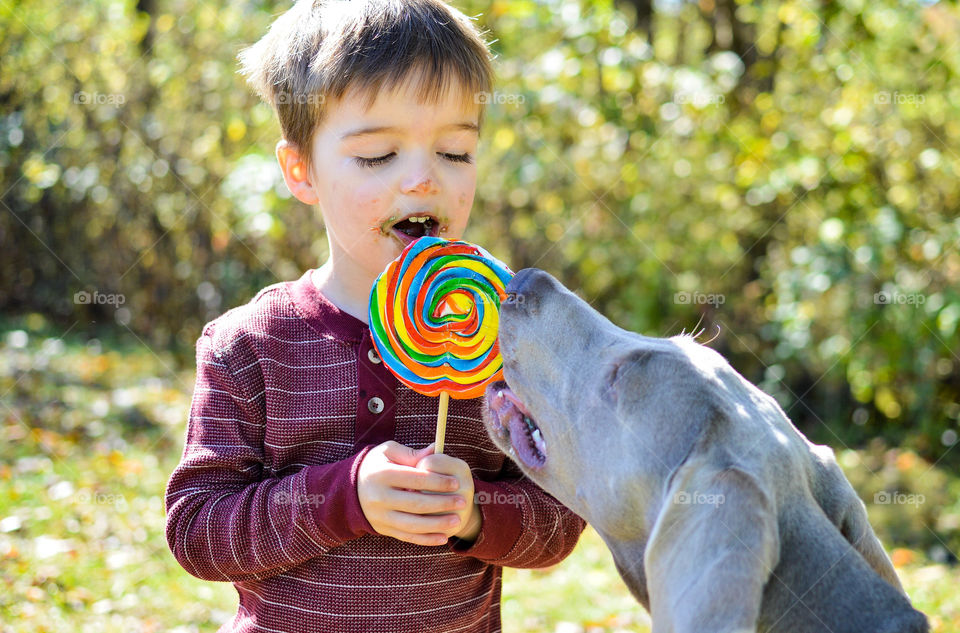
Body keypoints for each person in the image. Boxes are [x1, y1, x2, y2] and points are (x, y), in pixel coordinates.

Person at [163, 1, 586, 631]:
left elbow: (559, 521)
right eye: (376, 155)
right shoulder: (249, 345)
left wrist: (474, 513)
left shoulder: (504, 346)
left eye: (455, 151)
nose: (422, 179)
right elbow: (198, 530)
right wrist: (343, 497)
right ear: (300, 171)